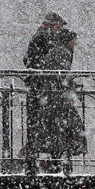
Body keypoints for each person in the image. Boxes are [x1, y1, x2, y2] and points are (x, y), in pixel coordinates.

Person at [38, 28, 86, 171]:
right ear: (69, 41)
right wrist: (70, 85)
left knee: (56, 129)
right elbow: (60, 75)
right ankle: (62, 161)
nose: (76, 43)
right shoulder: (63, 52)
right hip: (57, 98)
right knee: (69, 128)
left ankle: (56, 160)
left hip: (52, 96)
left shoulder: (58, 51)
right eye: (74, 40)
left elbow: (57, 74)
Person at [21, 12, 66, 166]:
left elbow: (27, 59)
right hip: (41, 84)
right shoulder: (45, 36)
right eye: (58, 27)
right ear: (53, 25)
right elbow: (44, 60)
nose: (58, 31)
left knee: (36, 121)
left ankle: (33, 158)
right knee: (45, 121)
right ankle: (44, 160)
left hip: (36, 83)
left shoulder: (39, 34)